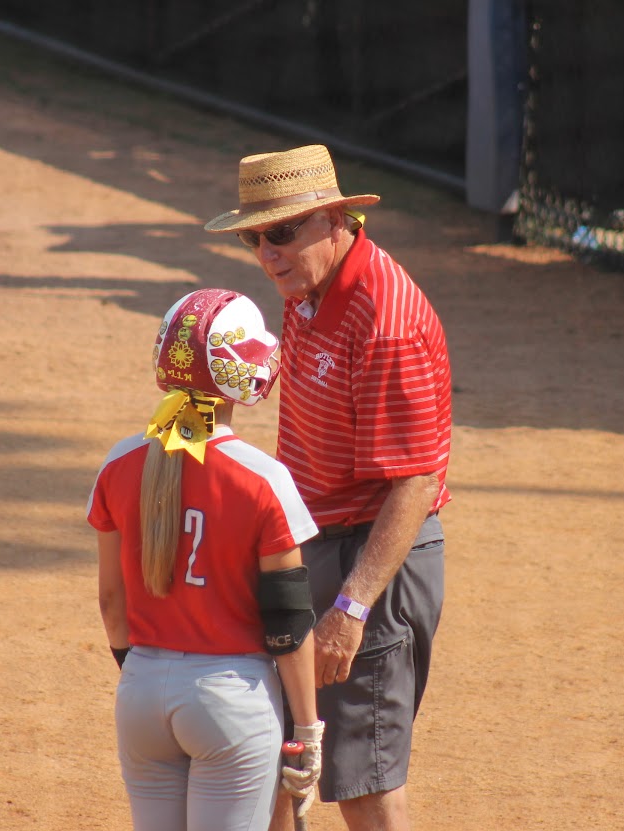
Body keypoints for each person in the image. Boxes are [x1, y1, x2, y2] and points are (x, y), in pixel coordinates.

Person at [204, 145, 452, 831]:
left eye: (281, 232)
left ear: (334, 219)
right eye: (255, 237)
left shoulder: (385, 317)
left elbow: (415, 479)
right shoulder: (308, 289)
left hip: (371, 558)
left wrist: (352, 605)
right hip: (314, 543)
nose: (266, 252)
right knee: (279, 748)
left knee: (362, 779)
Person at [86, 288, 327, 831]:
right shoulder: (264, 479)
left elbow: (110, 602)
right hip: (230, 698)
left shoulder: (119, 463)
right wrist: (308, 731)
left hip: (142, 692)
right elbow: (289, 622)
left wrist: (154, 674)